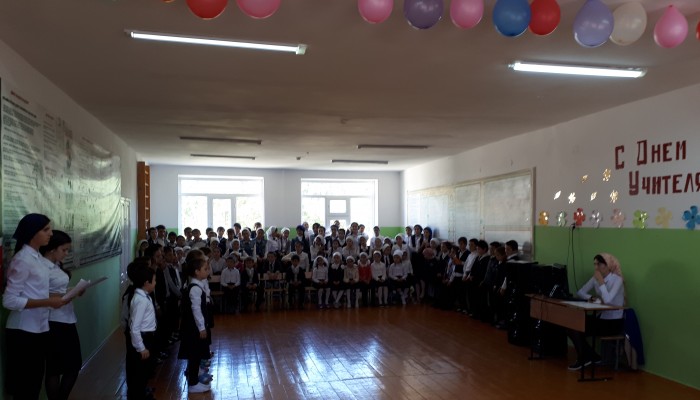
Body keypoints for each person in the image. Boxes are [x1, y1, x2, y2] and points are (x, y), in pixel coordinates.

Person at [2, 213, 68, 400]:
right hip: (23, 332)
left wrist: (62, 296)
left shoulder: (37, 258)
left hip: (39, 329)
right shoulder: (22, 259)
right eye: (46, 230)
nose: (51, 234)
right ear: (32, 233)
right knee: (25, 389)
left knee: (34, 384)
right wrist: (48, 302)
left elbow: (37, 292)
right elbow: (9, 300)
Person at [41, 230, 82, 400]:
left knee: (73, 365)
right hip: (53, 321)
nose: (66, 253)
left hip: (66, 318)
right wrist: (65, 295)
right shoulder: (42, 267)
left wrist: (74, 290)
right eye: (64, 250)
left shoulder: (56, 265)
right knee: (55, 368)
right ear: (52, 249)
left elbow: (57, 290)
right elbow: (39, 294)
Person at [567, 253, 625, 371]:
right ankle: (591, 356)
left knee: (576, 327)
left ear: (607, 265)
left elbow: (608, 300)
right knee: (571, 324)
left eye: (599, 264)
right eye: (594, 264)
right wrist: (592, 298)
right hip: (600, 318)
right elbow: (580, 292)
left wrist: (601, 282)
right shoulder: (595, 278)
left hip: (613, 322)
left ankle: (585, 358)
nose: (596, 267)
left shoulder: (617, 280)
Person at [177, 256, 213, 393]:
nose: (207, 271)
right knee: (194, 354)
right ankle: (193, 383)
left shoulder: (197, 285)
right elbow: (196, 309)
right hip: (193, 328)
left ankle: (195, 379)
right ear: (197, 272)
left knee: (197, 354)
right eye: (205, 269)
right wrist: (202, 328)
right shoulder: (195, 289)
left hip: (195, 327)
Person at [126, 264, 158, 400]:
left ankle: (142, 393)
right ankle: (138, 395)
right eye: (154, 280)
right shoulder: (141, 300)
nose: (155, 283)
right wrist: (141, 347)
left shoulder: (144, 297)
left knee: (144, 371)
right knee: (139, 372)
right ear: (146, 283)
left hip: (147, 337)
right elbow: (135, 327)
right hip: (142, 339)